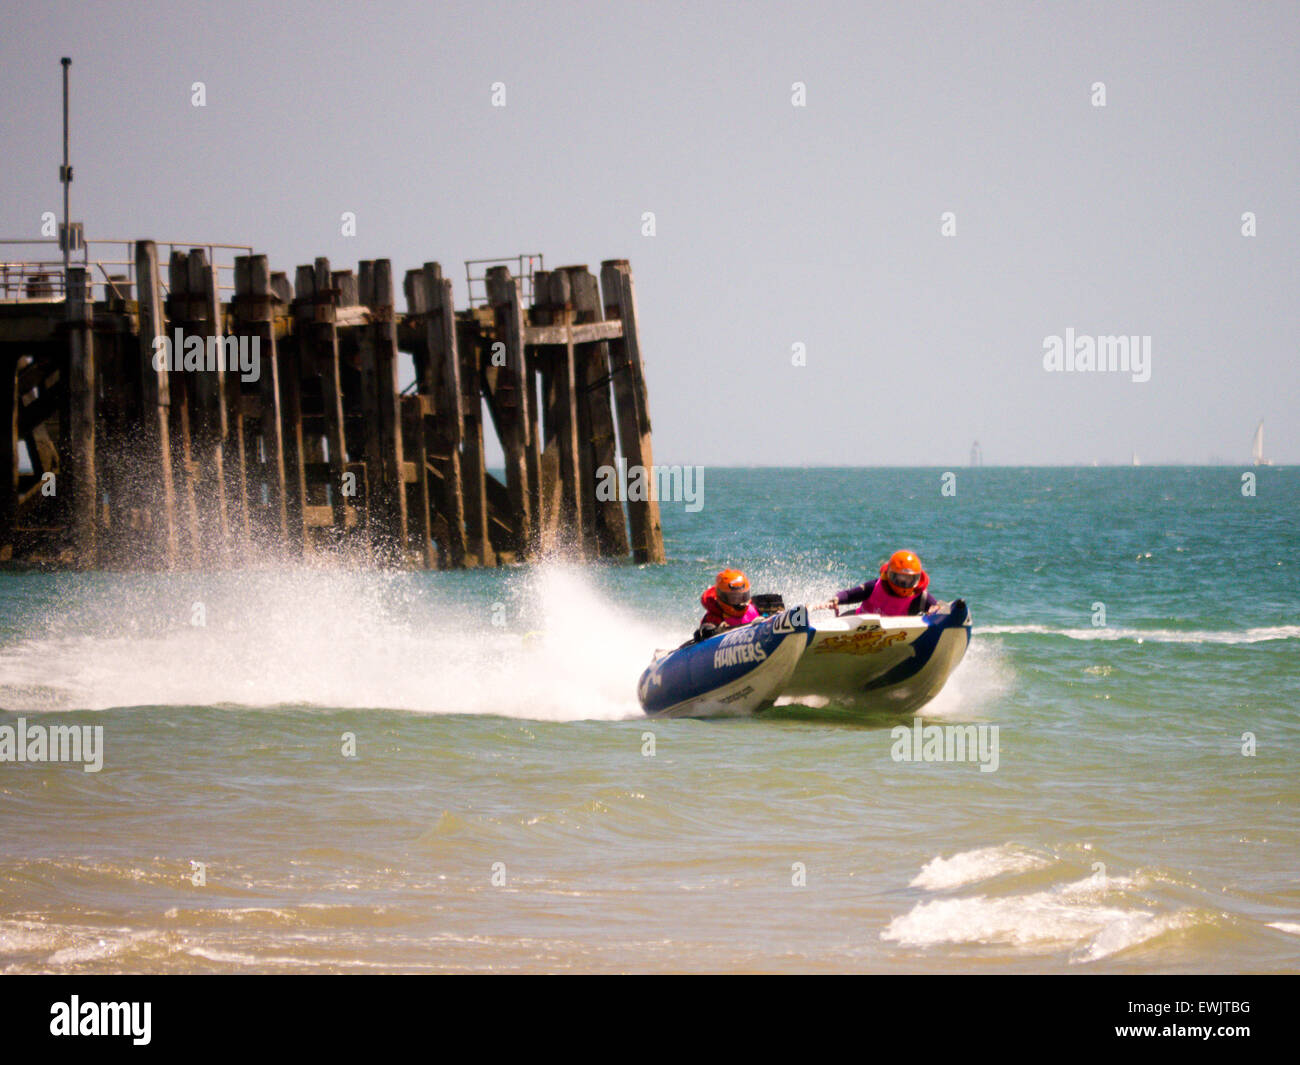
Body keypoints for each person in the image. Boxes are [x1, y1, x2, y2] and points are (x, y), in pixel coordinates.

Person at [817, 549, 939, 617]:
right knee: (843, 618)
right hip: (859, 629)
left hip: (898, 637)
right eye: (900, 578)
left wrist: (936, 611)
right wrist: (836, 599)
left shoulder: (921, 597)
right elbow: (849, 595)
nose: (904, 583)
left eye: (909, 579)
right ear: (890, 574)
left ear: (917, 579)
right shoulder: (875, 586)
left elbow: (939, 610)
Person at [695, 568, 760, 641]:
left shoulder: (752, 608)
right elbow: (703, 633)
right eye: (734, 598)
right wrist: (706, 631)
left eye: (743, 597)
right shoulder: (714, 616)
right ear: (720, 597)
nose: (740, 603)